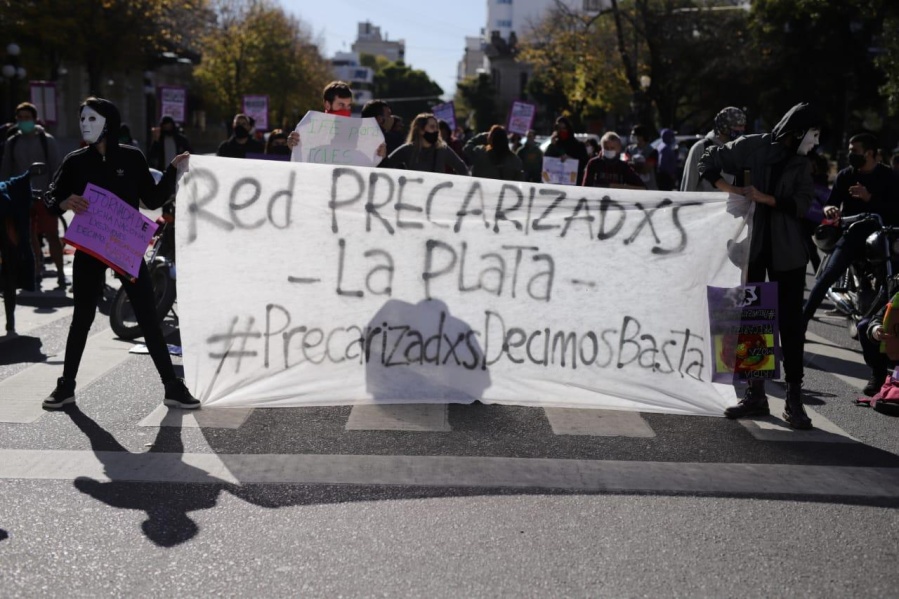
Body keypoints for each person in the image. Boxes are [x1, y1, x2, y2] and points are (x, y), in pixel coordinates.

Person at [40, 97, 199, 410]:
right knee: (81, 318)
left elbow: (151, 199)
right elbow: (50, 196)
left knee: (148, 317)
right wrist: (64, 202)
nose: (85, 124)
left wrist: (172, 170)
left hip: (124, 248)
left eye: (91, 119)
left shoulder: (132, 157)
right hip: (89, 248)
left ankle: (172, 386)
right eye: (82, 119)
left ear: (108, 123)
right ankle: (66, 386)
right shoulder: (75, 161)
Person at [698, 101, 822, 429]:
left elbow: (803, 203)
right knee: (754, 320)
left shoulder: (803, 163)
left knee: (791, 326)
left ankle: (794, 399)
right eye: (814, 133)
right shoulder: (751, 145)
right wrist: (733, 190)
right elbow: (708, 160)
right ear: (796, 132)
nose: (816, 141)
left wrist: (766, 198)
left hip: (789, 254)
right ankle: (755, 395)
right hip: (750, 249)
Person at [802, 134, 899, 326]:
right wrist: (829, 209)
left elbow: (895, 209)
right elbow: (831, 203)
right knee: (827, 276)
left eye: (854, 150)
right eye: (850, 150)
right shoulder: (846, 175)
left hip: (883, 236)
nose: (850, 154)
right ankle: (801, 323)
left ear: (869, 153)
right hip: (853, 232)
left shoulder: (889, 176)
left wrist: (869, 198)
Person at [0, 102, 64, 290]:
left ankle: (60, 271)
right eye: (20, 118)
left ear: (35, 119)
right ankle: (37, 270)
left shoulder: (47, 140)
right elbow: (6, 171)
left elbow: (57, 168)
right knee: (29, 237)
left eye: (27, 118)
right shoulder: (13, 143)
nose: (23, 121)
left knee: (52, 234)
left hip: (46, 196)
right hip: (22, 198)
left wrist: (57, 193)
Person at [286, 81, 386, 161]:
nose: (346, 110)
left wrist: (379, 154)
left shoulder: (359, 132)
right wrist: (293, 146)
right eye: (341, 105)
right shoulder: (307, 130)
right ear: (327, 105)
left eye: (348, 106)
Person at [681, 106, 747, 192]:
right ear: (724, 126)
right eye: (738, 125)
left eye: (743, 125)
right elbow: (689, 183)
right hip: (705, 204)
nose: (742, 129)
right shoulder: (701, 148)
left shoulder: (739, 149)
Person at [379, 113, 468, 175]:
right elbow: (386, 166)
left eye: (437, 127)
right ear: (421, 130)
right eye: (432, 127)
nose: (436, 130)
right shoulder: (407, 150)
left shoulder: (443, 149)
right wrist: (382, 155)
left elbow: (462, 168)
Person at [581, 132, 645, 189]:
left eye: (612, 148)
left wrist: (616, 187)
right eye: (606, 148)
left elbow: (642, 187)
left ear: (619, 148)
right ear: (601, 148)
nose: (609, 150)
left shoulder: (623, 166)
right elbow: (585, 187)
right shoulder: (593, 163)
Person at [543, 117, 589, 185]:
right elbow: (545, 162)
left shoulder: (578, 146)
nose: (562, 131)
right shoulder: (554, 145)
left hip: (573, 184)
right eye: (559, 129)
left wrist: (570, 159)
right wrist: (552, 145)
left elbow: (584, 163)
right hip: (555, 183)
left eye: (564, 128)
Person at [625, 124, 659, 190]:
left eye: (634, 134)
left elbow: (645, 169)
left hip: (648, 186)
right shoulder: (629, 149)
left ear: (641, 136)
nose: (632, 136)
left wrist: (632, 165)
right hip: (632, 186)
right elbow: (626, 165)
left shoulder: (652, 151)